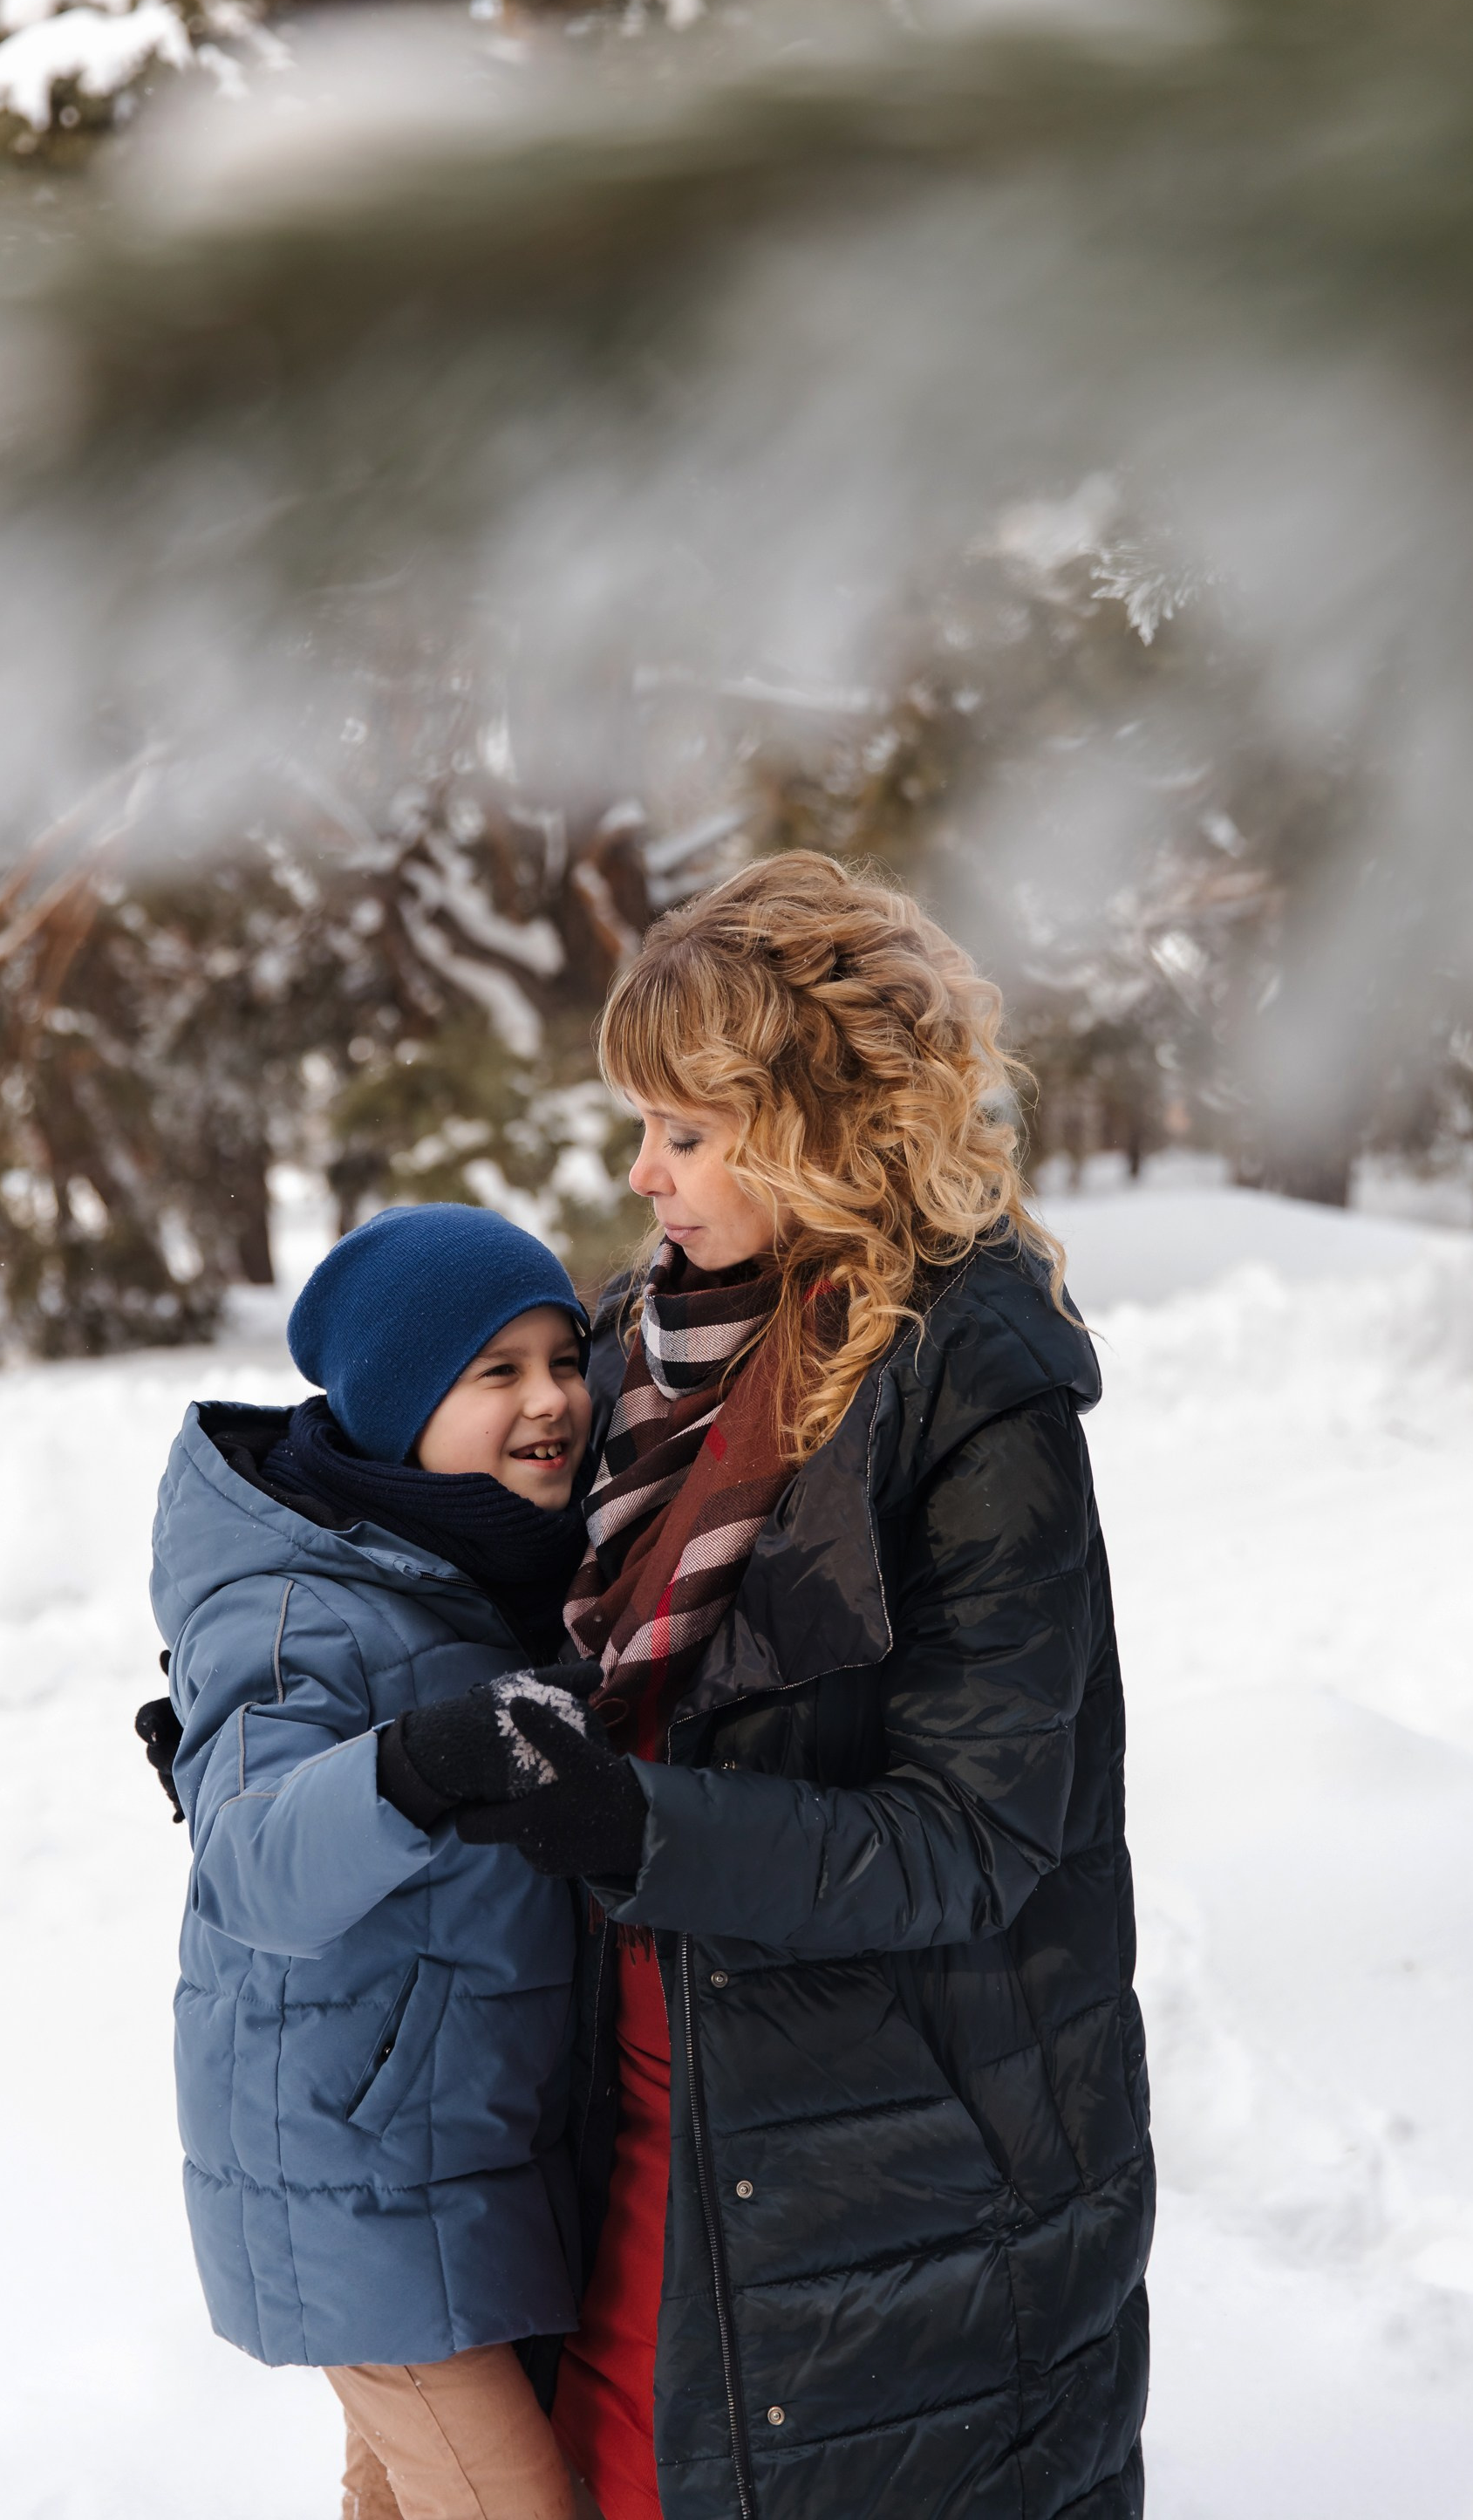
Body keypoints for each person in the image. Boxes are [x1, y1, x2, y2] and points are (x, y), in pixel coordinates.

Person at [440, 853, 1155, 2520]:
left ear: (822, 1122)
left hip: (892, 2167)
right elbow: (470, 1579)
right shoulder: (634, 1348)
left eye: (686, 1132)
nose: (643, 1173)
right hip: (634, 2121)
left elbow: (975, 1836)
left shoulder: (975, 1388)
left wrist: (641, 1824)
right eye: (642, 1127)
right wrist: (286, 1723)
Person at [147, 1201, 610, 2520]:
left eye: (563, 1359)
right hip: (358, 2177)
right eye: (496, 1372)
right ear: (399, 1402)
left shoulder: (491, 1558)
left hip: (457, 2156)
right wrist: (417, 1761)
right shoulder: (301, 1602)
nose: (552, 1402)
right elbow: (249, 1867)